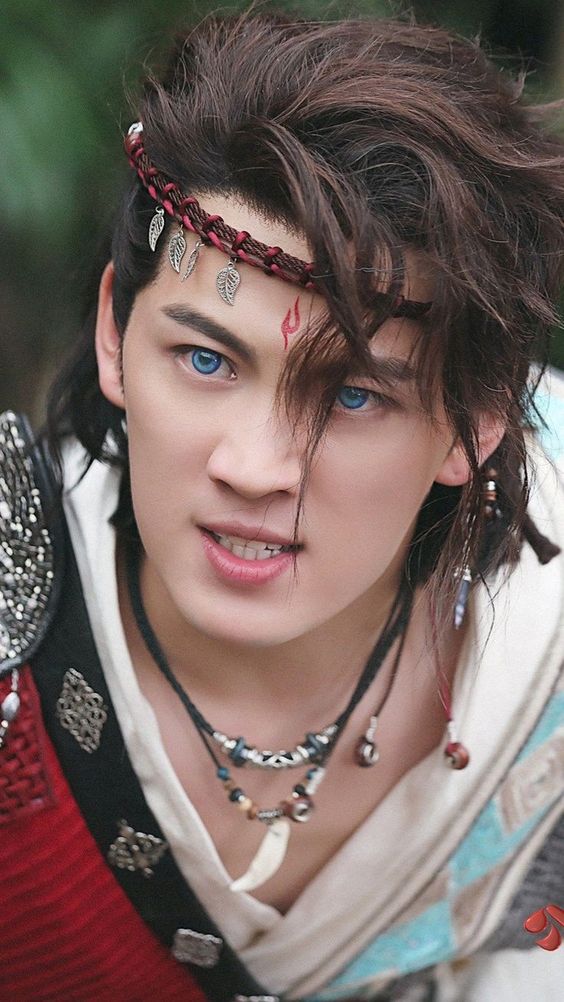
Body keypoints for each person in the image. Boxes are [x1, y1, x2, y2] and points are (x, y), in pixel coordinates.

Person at [1, 8, 563, 1001]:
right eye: (205, 359)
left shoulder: (542, 654)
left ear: (477, 420)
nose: (257, 469)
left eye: (354, 397)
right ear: (113, 335)